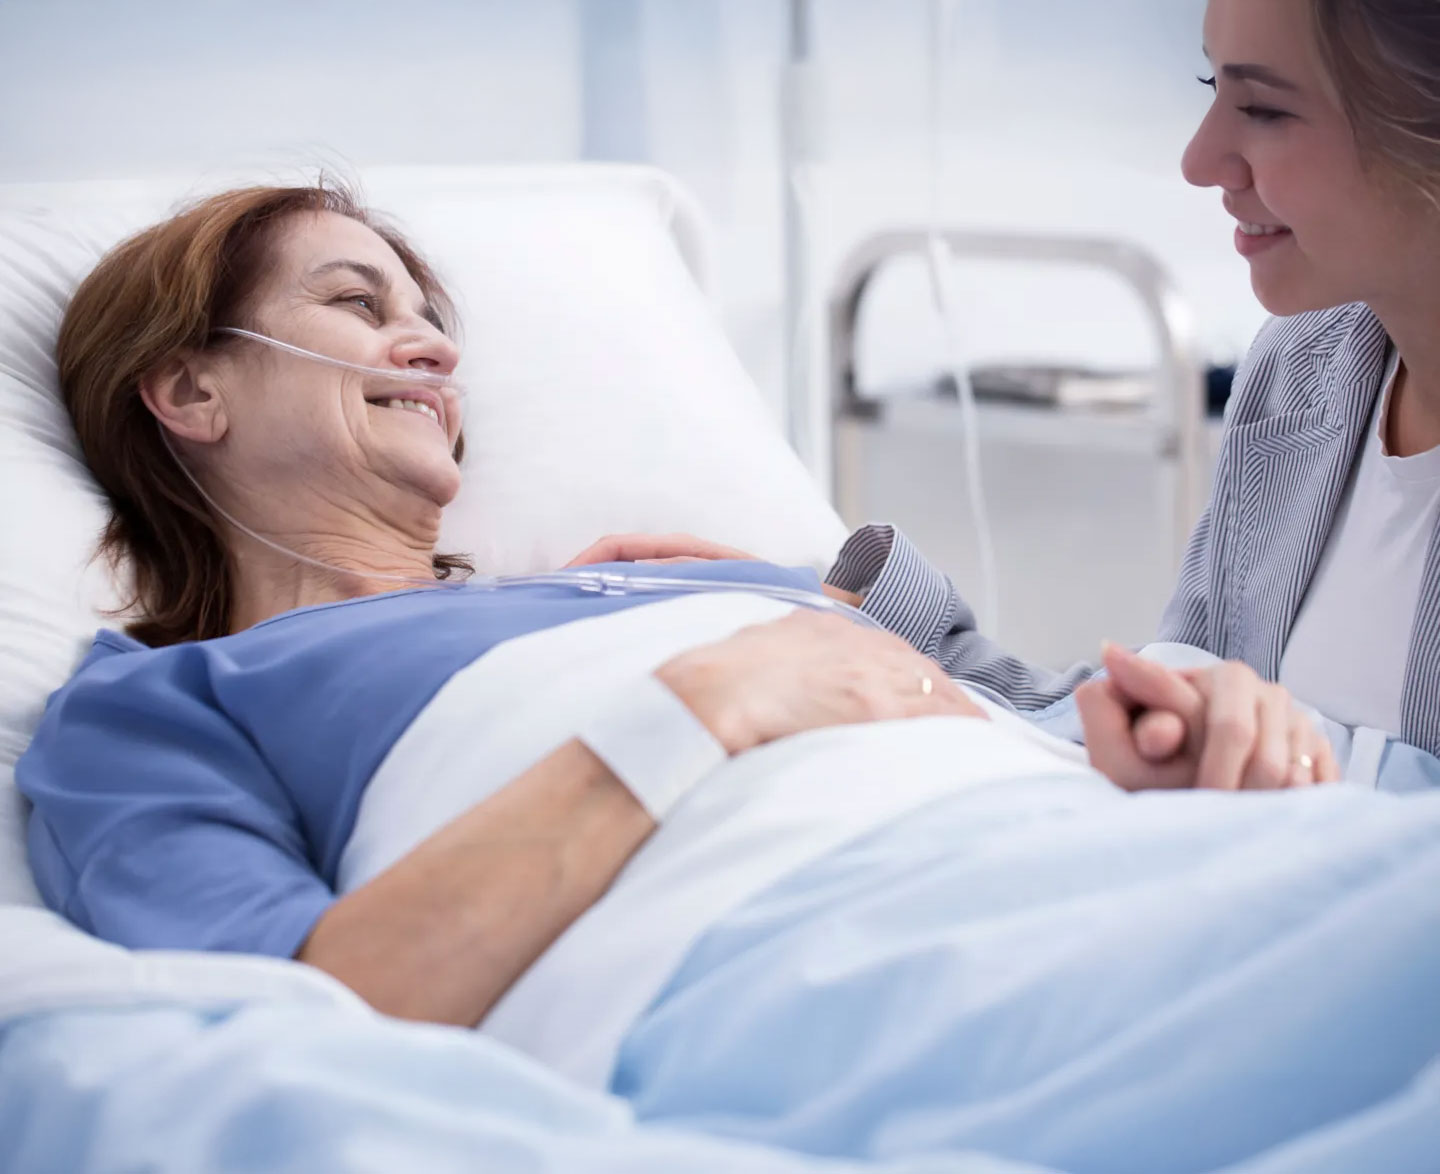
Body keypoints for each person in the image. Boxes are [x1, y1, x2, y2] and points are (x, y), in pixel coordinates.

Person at [589, 0, 1440, 795]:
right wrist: (838, 617)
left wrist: (1313, 772)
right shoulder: (1308, 368)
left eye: (1263, 109)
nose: (1198, 159)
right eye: (1210, 88)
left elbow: (1275, 767)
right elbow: (1164, 733)